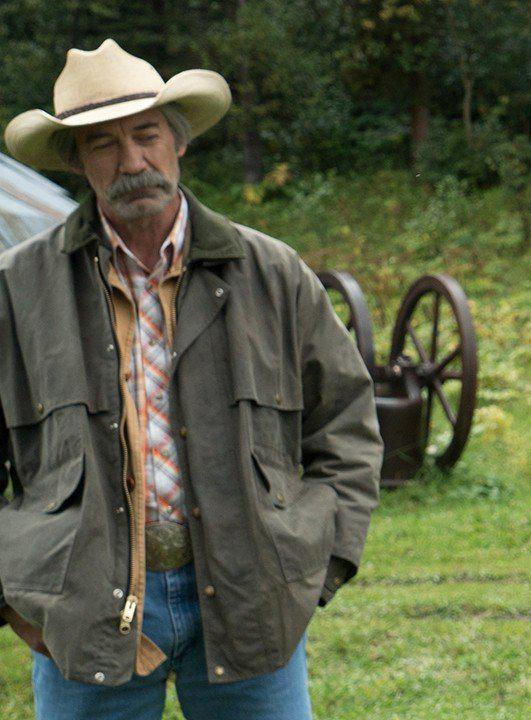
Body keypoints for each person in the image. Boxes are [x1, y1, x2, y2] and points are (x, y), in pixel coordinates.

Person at [0, 39, 381, 719]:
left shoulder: (272, 273)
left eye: (147, 135)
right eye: (103, 144)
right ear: (78, 163)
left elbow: (347, 426)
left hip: (251, 598)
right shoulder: (17, 289)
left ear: (179, 142)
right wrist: (14, 598)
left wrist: (316, 569)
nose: (132, 162)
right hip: (80, 609)